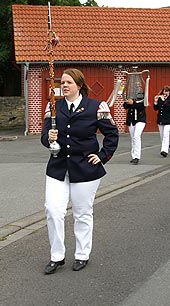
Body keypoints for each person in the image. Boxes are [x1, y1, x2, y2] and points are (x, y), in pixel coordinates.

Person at [41, 68, 119, 274]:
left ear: (79, 85)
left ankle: (82, 254)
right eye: (62, 83)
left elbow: (112, 134)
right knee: (53, 210)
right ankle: (56, 256)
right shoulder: (54, 106)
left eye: (69, 82)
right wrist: (49, 137)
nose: (64, 86)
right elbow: (44, 138)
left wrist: (103, 156)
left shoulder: (96, 106)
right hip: (58, 168)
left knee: (82, 213)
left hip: (85, 169)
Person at [123, 90, 146, 164]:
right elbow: (125, 106)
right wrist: (127, 102)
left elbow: (142, 106)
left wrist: (133, 103)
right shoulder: (130, 96)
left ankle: (137, 156)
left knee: (136, 136)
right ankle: (133, 156)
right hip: (131, 120)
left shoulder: (142, 96)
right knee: (133, 138)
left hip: (140, 119)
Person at [153, 85, 170, 157]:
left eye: (167, 91)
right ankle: (165, 146)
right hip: (160, 119)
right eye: (164, 91)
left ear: (169, 92)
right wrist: (155, 102)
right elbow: (156, 108)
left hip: (168, 120)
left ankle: (164, 150)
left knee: (166, 134)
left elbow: (169, 108)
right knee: (162, 135)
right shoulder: (160, 99)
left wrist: (164, 100)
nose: (165, 93)